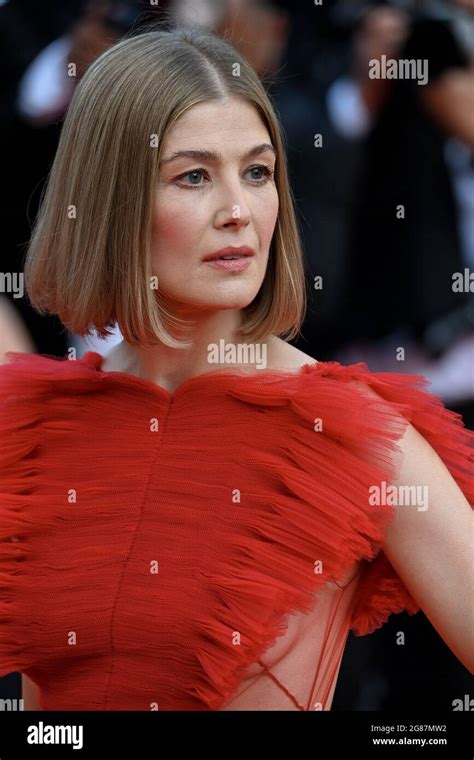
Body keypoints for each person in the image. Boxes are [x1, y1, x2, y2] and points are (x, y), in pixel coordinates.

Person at [0, 23, 472, 712]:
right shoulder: (32, 425)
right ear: (112, 201)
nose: (238, 212)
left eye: (257, 172)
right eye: (193, 176)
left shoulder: (351, 433)